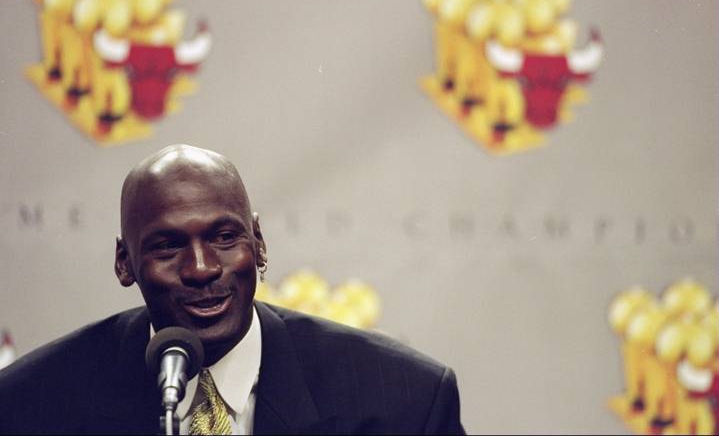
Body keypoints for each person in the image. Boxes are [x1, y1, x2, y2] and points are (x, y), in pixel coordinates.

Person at [0, 144, 464, 435]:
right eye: (168, 246)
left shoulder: (403, 402)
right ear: (125, 263)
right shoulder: (33, 404)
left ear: (258, 243)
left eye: (224, 238)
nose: (202, 269)